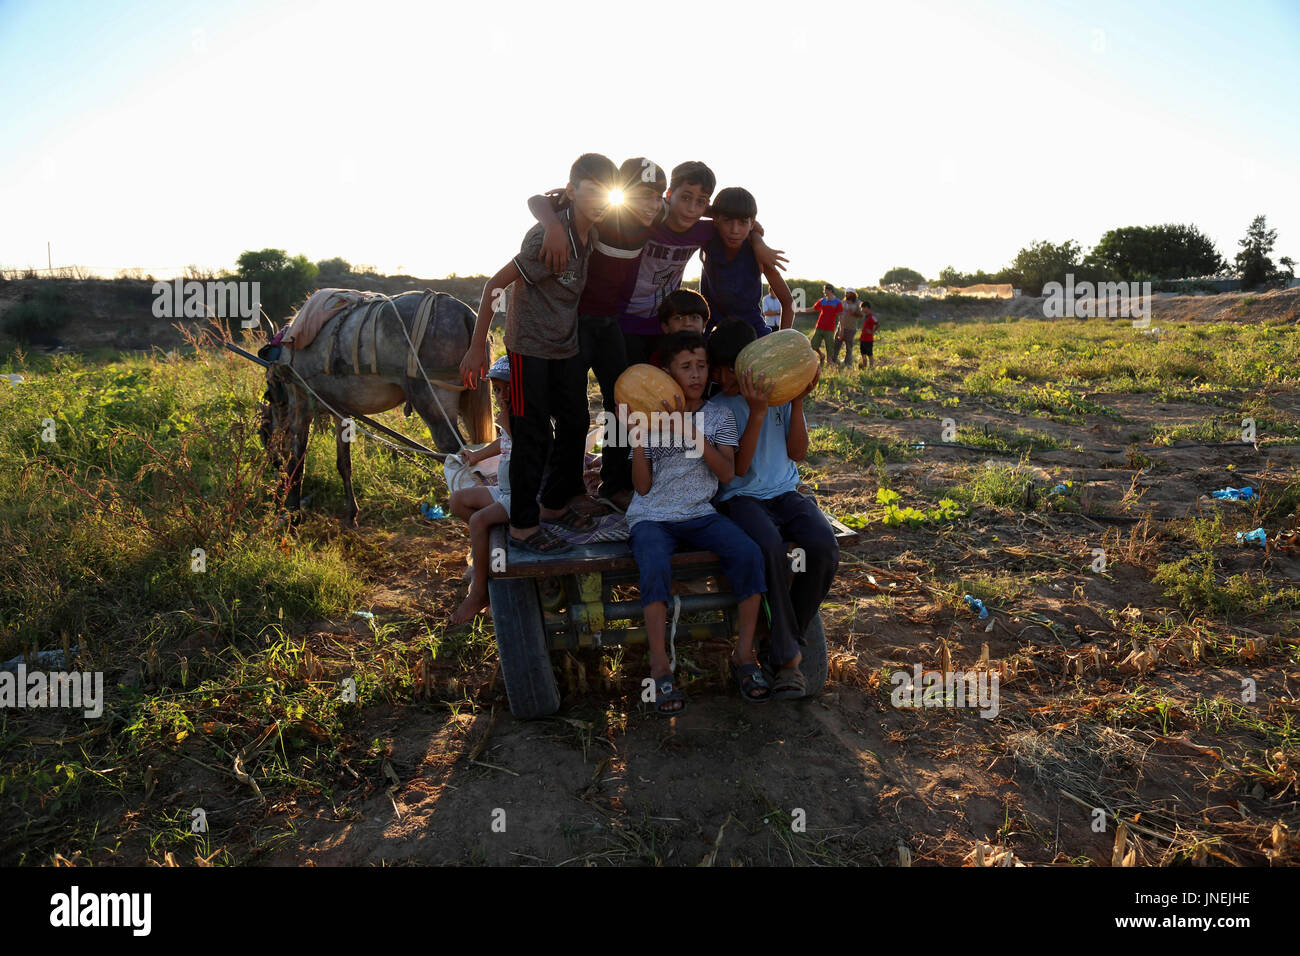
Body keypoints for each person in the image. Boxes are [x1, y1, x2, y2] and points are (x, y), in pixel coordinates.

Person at [460, 152, 619, 554]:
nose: (600, 200)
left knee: (575, 422)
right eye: (591, 192)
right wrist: (477, 346)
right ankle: (523, 527)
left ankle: (552, 505)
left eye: (607, 192)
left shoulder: (590, 234)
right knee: (531, 436)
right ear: (572, 191)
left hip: (564, 347)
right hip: (528, 348)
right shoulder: (546, 238)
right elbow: (495, 285)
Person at [624, 330, 769, 714]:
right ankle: (659, 667)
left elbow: (727, 474)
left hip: (700, 514)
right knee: (653, 564)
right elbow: (641, 487)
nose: (696, 375)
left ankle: (744, 656)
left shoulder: (718, 416)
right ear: (667, 373)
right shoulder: (649, 417)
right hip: (652, 516)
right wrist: (637, 443)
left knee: (749, 554)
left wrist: (694, 435)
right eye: (686, 367)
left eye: (701, 366)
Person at [706, 320, 839, 699]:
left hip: (785, 492)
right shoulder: (719, 409)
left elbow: (798, 453)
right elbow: (739, 472)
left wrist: (796, 401)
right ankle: (787, 660)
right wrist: (758, 411)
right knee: (771, 550)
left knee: (824, 547)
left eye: (731, 369)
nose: (724, 377)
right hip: (741, 498)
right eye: (720, 370)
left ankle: (787, 637)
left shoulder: (781, 395)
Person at [528, 157, 668, 512]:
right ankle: (565, 491)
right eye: (642, 194)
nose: (650, 203)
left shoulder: (658, 215)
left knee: (622, 404)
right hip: (576, 324)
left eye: (657, 196)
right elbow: (539, 200)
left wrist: (753, 229)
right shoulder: (604, 216)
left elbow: (692, 210)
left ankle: (614, 484)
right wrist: (554, 228)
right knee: (573, 411)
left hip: (610, 325)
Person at [449, 356, 513, 625]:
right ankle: (486, 542)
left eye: (506, 390)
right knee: (457, 501)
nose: (500, 397)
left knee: (477, 520)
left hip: (523, 496)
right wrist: (476, 457)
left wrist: (510, 426)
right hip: (505, 491)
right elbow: (503, 443)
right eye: (497, 390)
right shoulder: (511, 418)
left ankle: (479, 592)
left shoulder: (529, 418)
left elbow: (537, 453)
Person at [699, 186, 794, 339]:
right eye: (727, 220)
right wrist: (756, 233)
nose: (734, 230)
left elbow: (788, 302)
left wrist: (781, 342)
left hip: (752, 331)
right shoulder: (708, 237)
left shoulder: (759, 253)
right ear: (715, 220)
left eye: (743, 222)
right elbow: (684, 209)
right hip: (713, 331)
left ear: (751, 223)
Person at [646, 289, 707, 368]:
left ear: (704, 324)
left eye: (694, 317)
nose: (687, 323)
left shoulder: (711, 355)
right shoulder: (658, 359)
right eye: (678, 318)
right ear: (665, 326)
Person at [809, 284, 842, 364]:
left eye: (825, 290)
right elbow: (813, 309)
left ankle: (829, 362)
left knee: (829, 346)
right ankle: (821, 355)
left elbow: (841, 315)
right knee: (813, 344)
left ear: (830, 290)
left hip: (830, 328)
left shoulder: (837, 302)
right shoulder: (822, 300)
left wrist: (841, 328)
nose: (824, 291)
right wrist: (800, 310)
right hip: (819, 326)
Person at [834, 290, 864, 366]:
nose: (846, 294)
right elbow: (838, 313)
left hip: (851, 328)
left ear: (853, 294)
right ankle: (833, 361)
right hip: (841, 327)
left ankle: (848, 364)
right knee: (836, 345)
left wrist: (854, 313)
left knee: (849, 347)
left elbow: (862, 315)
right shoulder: (842, 302)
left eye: (848, 293)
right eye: (846, 293)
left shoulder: (858, 303)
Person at [859, 298, 879, 369]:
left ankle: (871, 368)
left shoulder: (872, 316)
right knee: (863, 354)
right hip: (863, 339)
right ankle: (864, 368)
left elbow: (877, 324)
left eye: (862, 308)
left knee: (870, 354)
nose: (862, 309)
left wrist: (872, 331)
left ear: (867, 308)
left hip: (868, 339)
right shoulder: (866, 316)